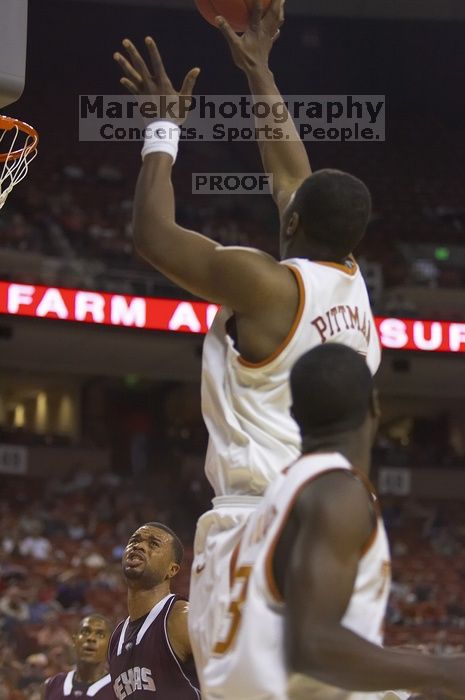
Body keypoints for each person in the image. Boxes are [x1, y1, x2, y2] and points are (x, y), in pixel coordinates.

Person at [113, 0, 380, 682]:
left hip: (253, 526)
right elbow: (291, 175)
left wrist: (162, 127)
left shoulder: (268, 288)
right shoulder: (350, 285)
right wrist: (257, 67)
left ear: (292, 221)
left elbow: (151, 236)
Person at [201, 344, 465, 700]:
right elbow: (312, 646)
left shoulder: (283, 491)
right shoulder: (336, 493)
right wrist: (444, 671)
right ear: (374, 406)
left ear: (294, 415)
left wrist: (400, 668)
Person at [108, 522, 200, 699]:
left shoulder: (181, 618)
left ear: (171, 570)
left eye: (153, 544)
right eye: (134, 540)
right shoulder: (116, 639)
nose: (139, 545)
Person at [44, 615, 113, 700]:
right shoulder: (51, 685)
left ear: (110, 644)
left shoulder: (118, 688)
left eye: (100, 635)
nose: (91, 638)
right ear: (74, 640)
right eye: (85, 632)